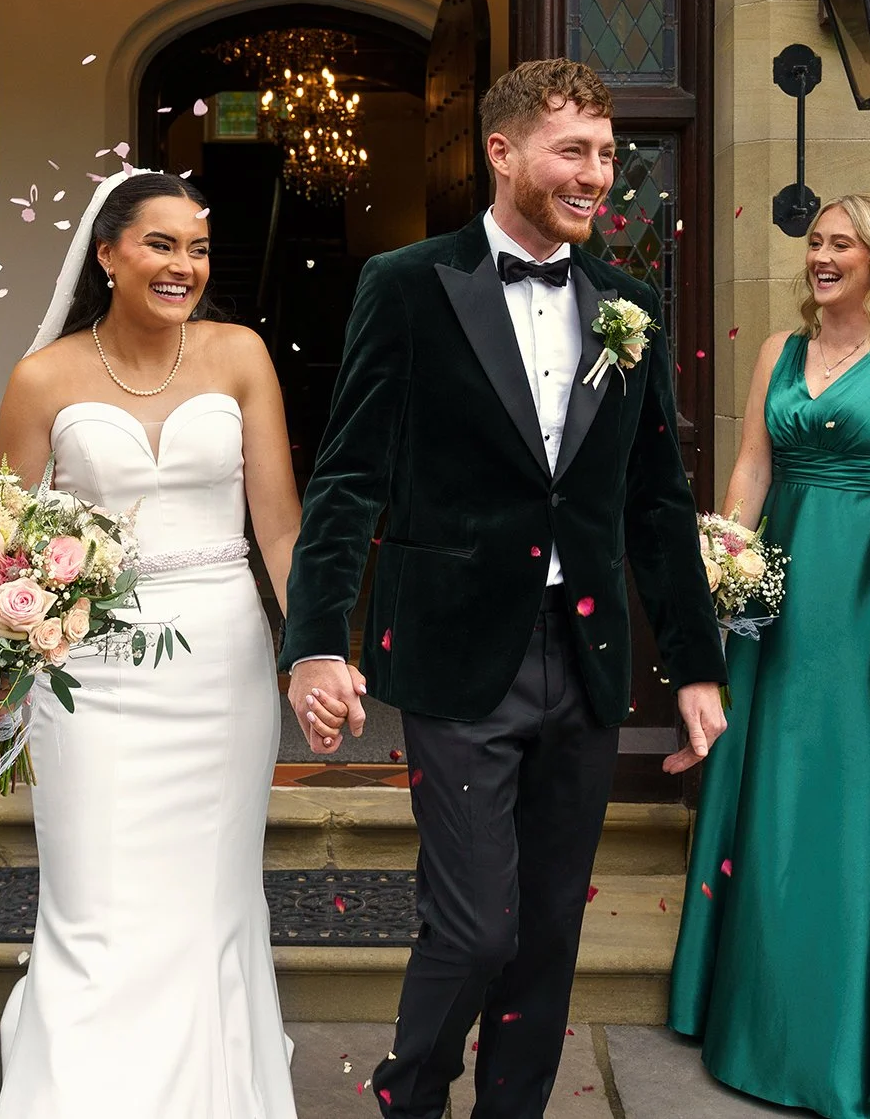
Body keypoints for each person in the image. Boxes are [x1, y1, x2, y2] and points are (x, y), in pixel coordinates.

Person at [281, 58, 726, 1119]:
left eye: (607, 153)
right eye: (573, 150)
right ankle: (412, 1095)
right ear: (502, 151)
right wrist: (314, 642)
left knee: (549, 926)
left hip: (586, 653)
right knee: (478, 925)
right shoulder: (406, 284)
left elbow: (656, 499)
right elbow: (348, 476)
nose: (598, 174)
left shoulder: (627, 303)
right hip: (457, 650)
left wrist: (695, 665)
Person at [0, 169, 300, 1117]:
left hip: (222, 662)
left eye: (198, 248)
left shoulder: (240, 354)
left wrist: (314, 651)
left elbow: (280, 528)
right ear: (108, 254)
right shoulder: (43, 378)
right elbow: (4, 545)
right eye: (161, 244)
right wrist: (1, 660)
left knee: (211, 895)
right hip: (89, 670)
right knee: (93, 894)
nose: (184, 266)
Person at [666, 194, 870, 1117]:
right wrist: (725, 564)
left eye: (842, 244)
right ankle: (749, 1010)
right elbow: (753, 465)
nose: (822, 256)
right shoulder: (779, 351)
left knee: (846, 786)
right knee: (767, 777)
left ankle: (832, 1034)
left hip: (864, 584)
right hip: (777, 582)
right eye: (817, 242)